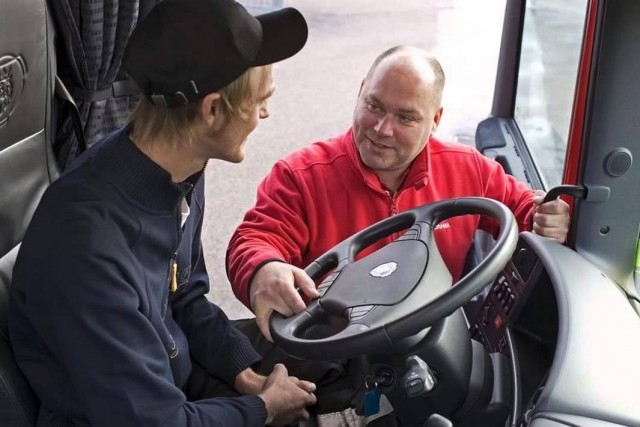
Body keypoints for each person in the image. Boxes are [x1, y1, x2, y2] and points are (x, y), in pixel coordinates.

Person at [8, 0, 317, 426]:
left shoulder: (182, 169)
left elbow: (184, 293)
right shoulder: (84, 246)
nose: (265, 113)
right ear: (211, 111)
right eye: (260, 101)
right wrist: (262, 409)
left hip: (172, 380)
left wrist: (241, 368)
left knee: (332, 358)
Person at [226, 45, 571, 342]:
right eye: (374, 106)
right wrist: (263, 268)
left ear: (434, 120)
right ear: (361, 91)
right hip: (330, 348)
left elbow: (524, 208)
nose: (381, 129)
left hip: (429, 344)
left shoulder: (470, 170)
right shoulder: (300, 175)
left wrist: (546, 216)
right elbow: (255, 239)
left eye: (405, 118)